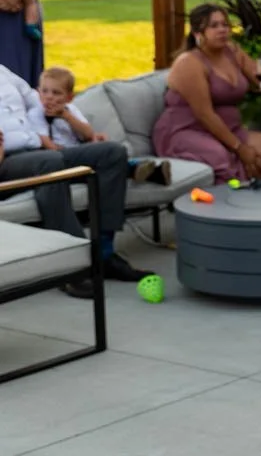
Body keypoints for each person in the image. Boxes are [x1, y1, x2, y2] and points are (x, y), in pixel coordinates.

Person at [0, 63, 153, 298]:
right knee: (49, 163)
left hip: (39, 149)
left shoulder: (4, 72)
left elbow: (35, 98)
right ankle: (74, 266)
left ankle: (104, 253)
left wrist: (78, 126)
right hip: (8, 161)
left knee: (110, 153)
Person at [153, 4, 261, 184]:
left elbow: (258, 79)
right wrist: (239, 148)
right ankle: (228, 201)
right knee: (219, 155)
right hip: (187, 129)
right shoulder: (189, 63)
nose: (222, 30)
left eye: (225, 25)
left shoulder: (233, 51)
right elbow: (204, 115)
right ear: (198, 33)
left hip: (229, 128)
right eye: (214, 26)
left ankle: (249, 193)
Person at [37, 67, 100, 147]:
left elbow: (89, 134)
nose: (49, 97)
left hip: (76, 148)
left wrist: (65, 115)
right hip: (57, 153)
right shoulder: (38, 112)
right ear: (38, 92)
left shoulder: (70, 109)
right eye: (44, 91)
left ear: (69, 98)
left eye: (56, 93)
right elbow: (44, 141)